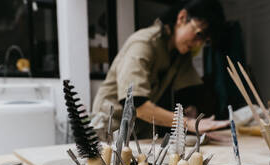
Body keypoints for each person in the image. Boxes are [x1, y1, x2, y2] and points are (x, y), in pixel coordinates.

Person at [92, 0, 229, 139]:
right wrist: (188, 122)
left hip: (140, 128)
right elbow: (135, 104)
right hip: (111, 127)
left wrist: (191, 109)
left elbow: (190, 91)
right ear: (182, 18)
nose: (198, 44)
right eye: (199, 34)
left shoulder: (180, 53)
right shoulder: (143, 43)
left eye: (204, 40)